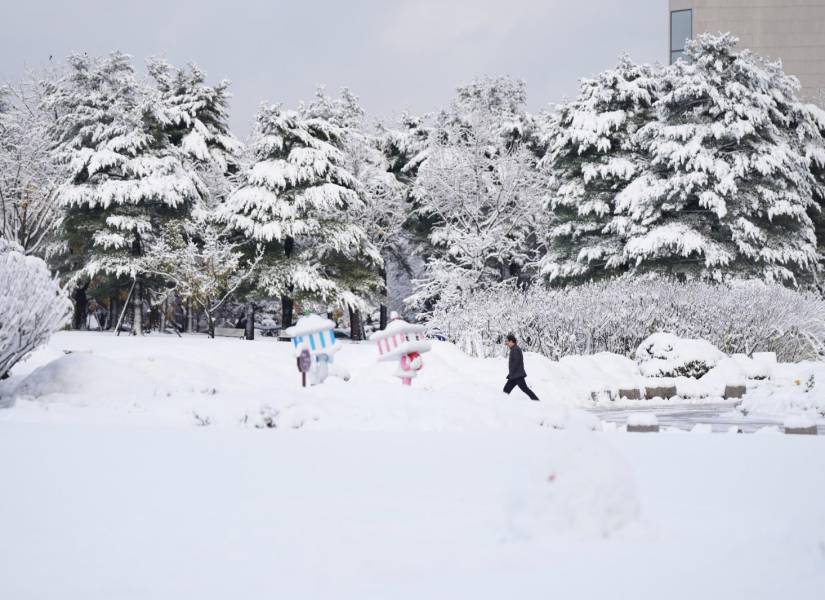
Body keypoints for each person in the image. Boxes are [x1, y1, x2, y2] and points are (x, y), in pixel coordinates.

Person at [503, 334, 539, 401]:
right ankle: (503, 403)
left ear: (511, 341)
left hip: (517, 375)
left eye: (507, 341)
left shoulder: (516, 349)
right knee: (506, 390)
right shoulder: (514, 349)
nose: (506, 343)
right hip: (514, 375)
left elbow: (516, 362)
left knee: (524, 389)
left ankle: (536, 401)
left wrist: (511, 372)